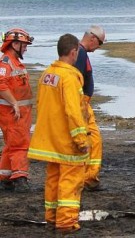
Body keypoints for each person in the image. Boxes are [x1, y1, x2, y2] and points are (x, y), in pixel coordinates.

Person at [27, 34, 89, 234]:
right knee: (71, 181)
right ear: (73, 52)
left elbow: (41, 105)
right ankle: (66, 221)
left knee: (53, 178)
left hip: (51, 140)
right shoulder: (69, 78)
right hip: (66, 141)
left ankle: (52, 216)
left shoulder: (47, 75)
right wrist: (81, 139)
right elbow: (73, 111)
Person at [0, 28, 34, 192]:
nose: (26, 48)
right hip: (13, 114)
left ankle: (5, 177)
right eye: (24, 45)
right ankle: (20, 177)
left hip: (19, 113)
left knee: (11, 145)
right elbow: (1, 84)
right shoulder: (6, 62)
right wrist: (14, 103)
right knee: (20, 145)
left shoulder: (14, 62)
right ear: (14, 44)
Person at [75, 25, 106, 192]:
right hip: (81, 104)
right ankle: (89, 179)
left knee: (92, 140)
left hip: (83, 103)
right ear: (92, 38)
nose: (99, 47)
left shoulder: (80, 53)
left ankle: (89, 178)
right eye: (99, 43)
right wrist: (81, 107)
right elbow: (75, 82)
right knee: (93, 140)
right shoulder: (80, 54)